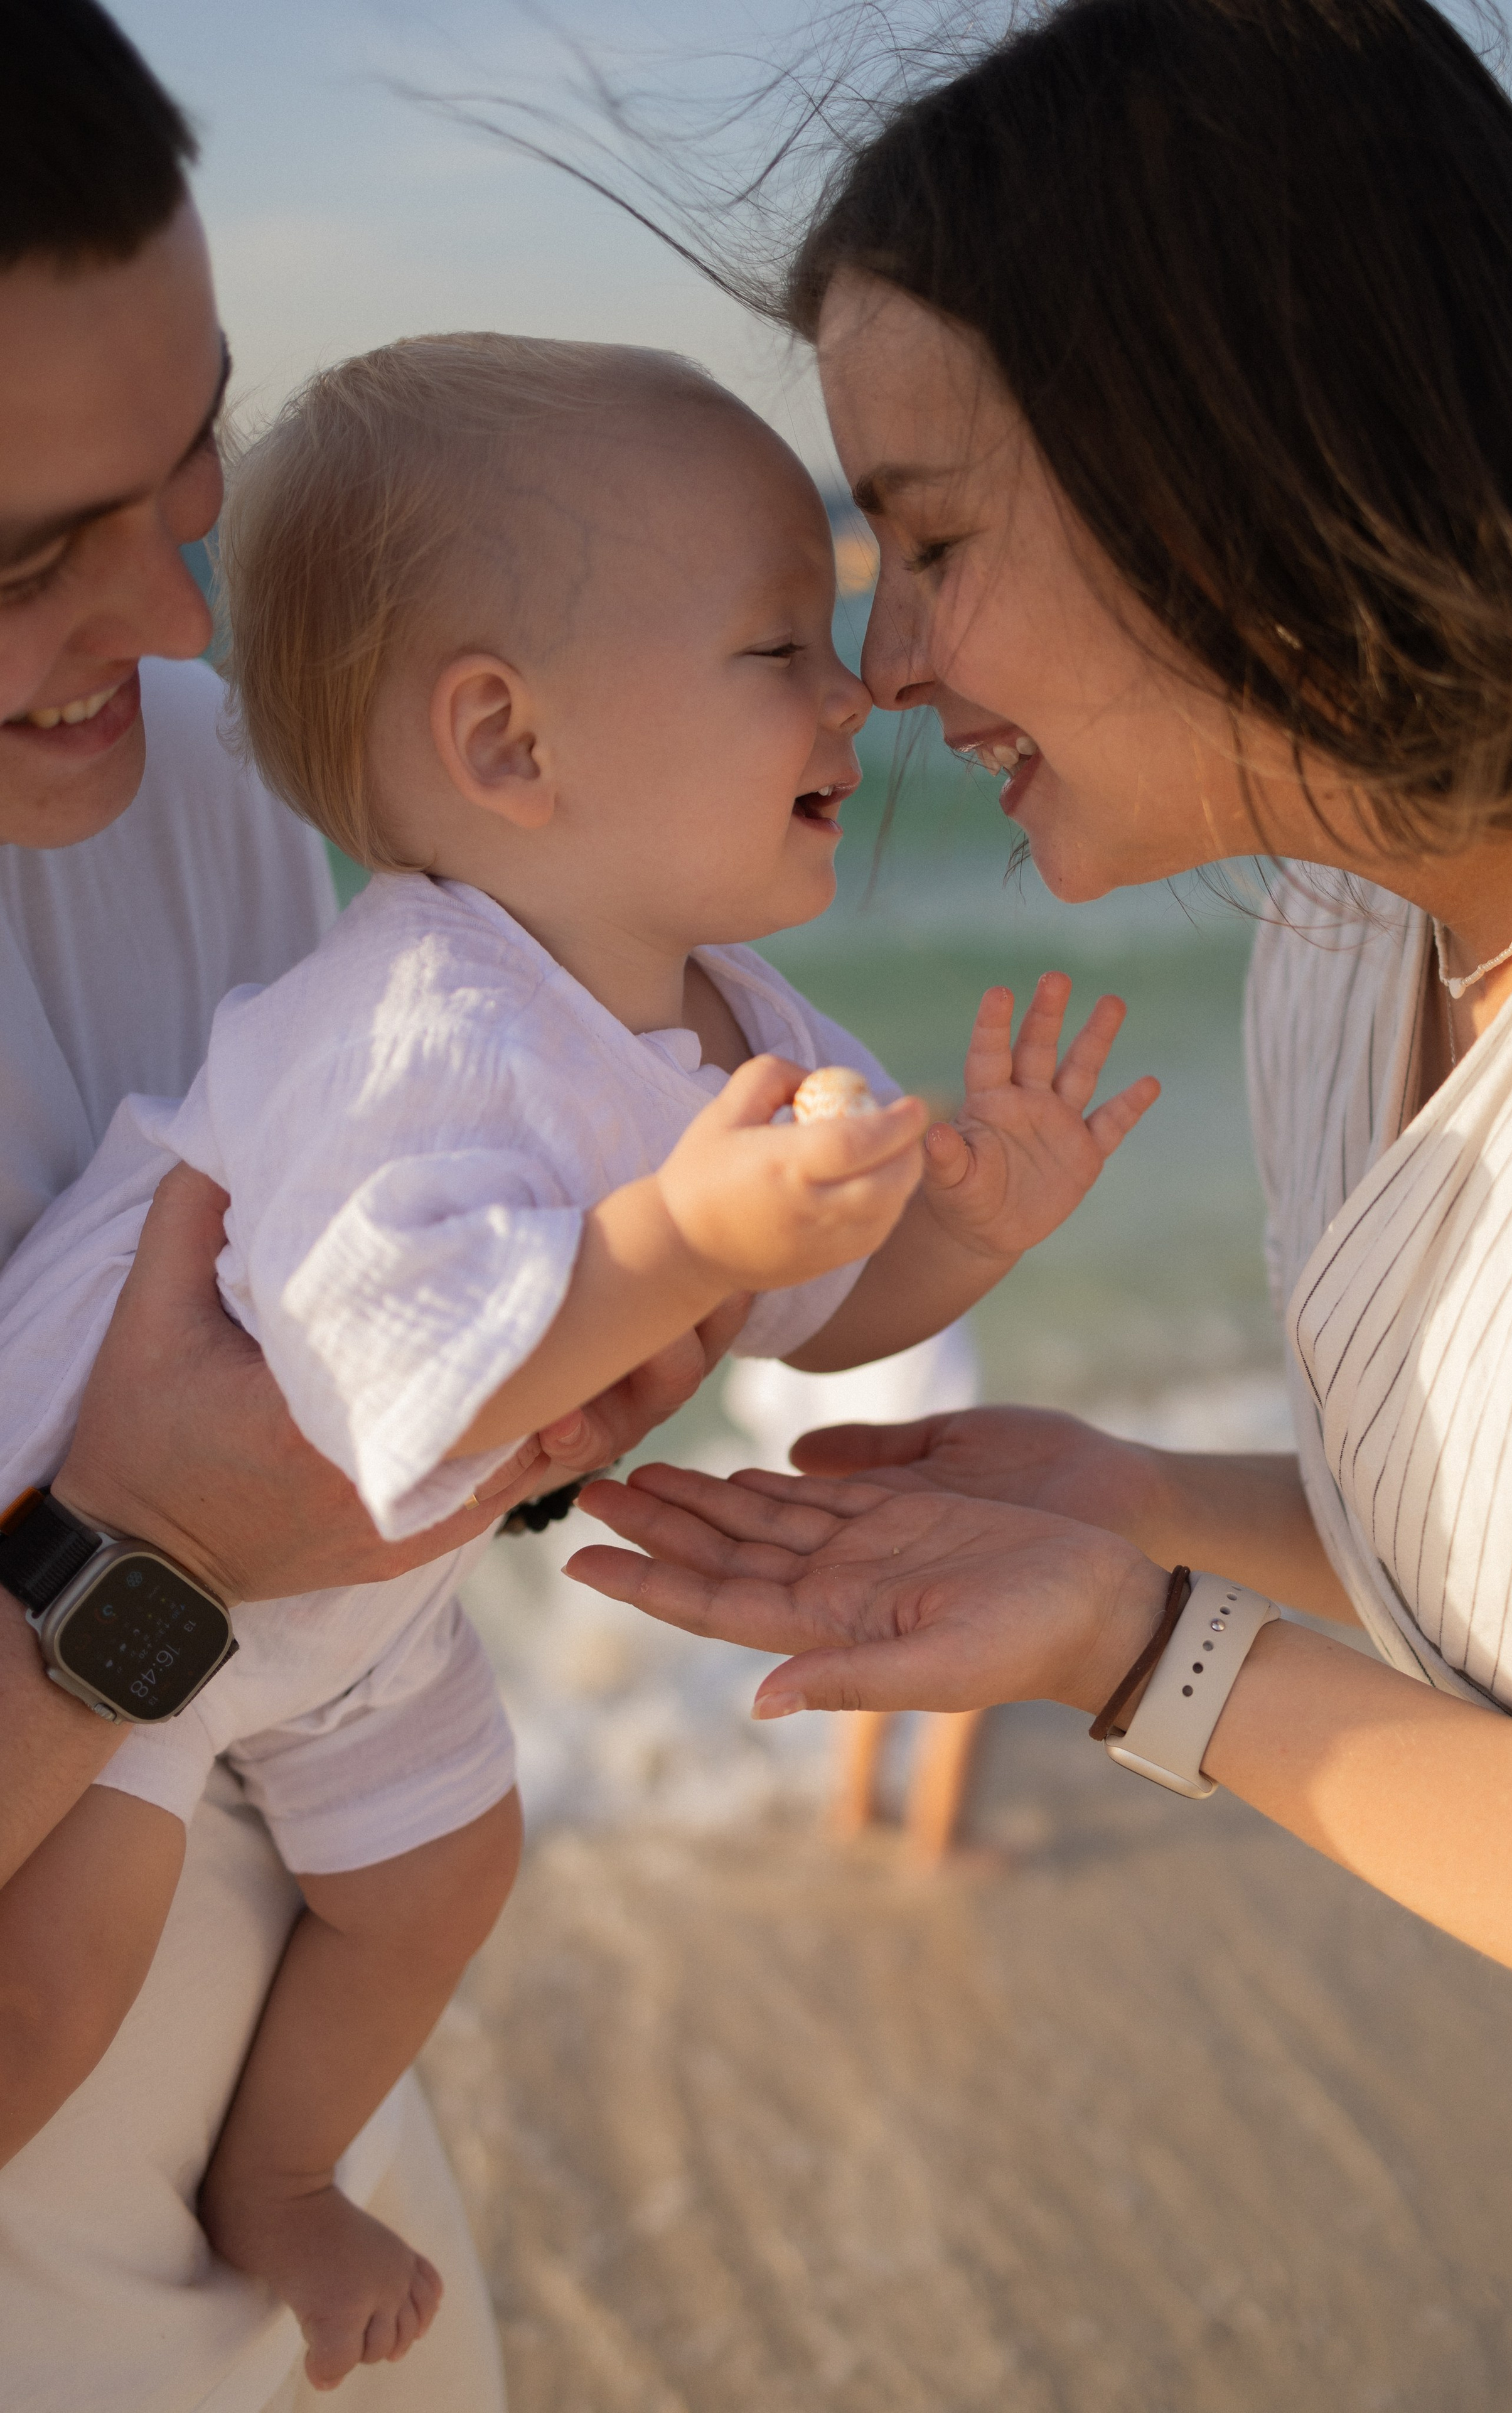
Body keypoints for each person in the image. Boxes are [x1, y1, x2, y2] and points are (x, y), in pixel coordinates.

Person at [0, 326, 1158, 2389]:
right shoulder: (419, 1017)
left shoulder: (729, 1007)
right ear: (509, 746)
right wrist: (668, 1243)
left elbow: (813, 1311)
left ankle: (275, 2177)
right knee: (54, 1992)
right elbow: (389, 1378)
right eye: (774, 643)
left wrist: (967, 1220)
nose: (859, 687)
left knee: (450, 1867)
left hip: (334, 1587)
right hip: (121, 1523)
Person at [564, 0, 1512, 2268]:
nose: (888, 664)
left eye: (926, 538)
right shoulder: (1352, 935)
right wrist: (1144, 1500)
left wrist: (1149, 1651)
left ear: (1228, 450)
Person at [0, 8, 722, 2405]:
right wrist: (127, 1563)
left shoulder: (173, 771)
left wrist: (505, 1424)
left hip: (329, 2283)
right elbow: (190, 1533)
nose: (193, 621)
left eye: (188, 455)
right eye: (28, 553)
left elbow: (329, 1402)